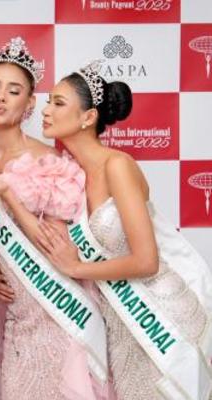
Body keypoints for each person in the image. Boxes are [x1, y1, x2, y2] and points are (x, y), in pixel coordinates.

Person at [39, 60, 212, 400]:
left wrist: (77, 267)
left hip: (162, 319)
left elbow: (146, 260)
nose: (46, 111)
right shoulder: (73, 176)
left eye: (58, 103)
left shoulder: (117, 165)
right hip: (121, 327)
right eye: (48, 102)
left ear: (88, 117)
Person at [0, 38, 109, 400]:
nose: (1, 97)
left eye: (13, 91)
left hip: (58, 310)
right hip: (20, 318)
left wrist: (10, 198)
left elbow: (55, 246)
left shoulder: (49, 162)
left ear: (30, 104)